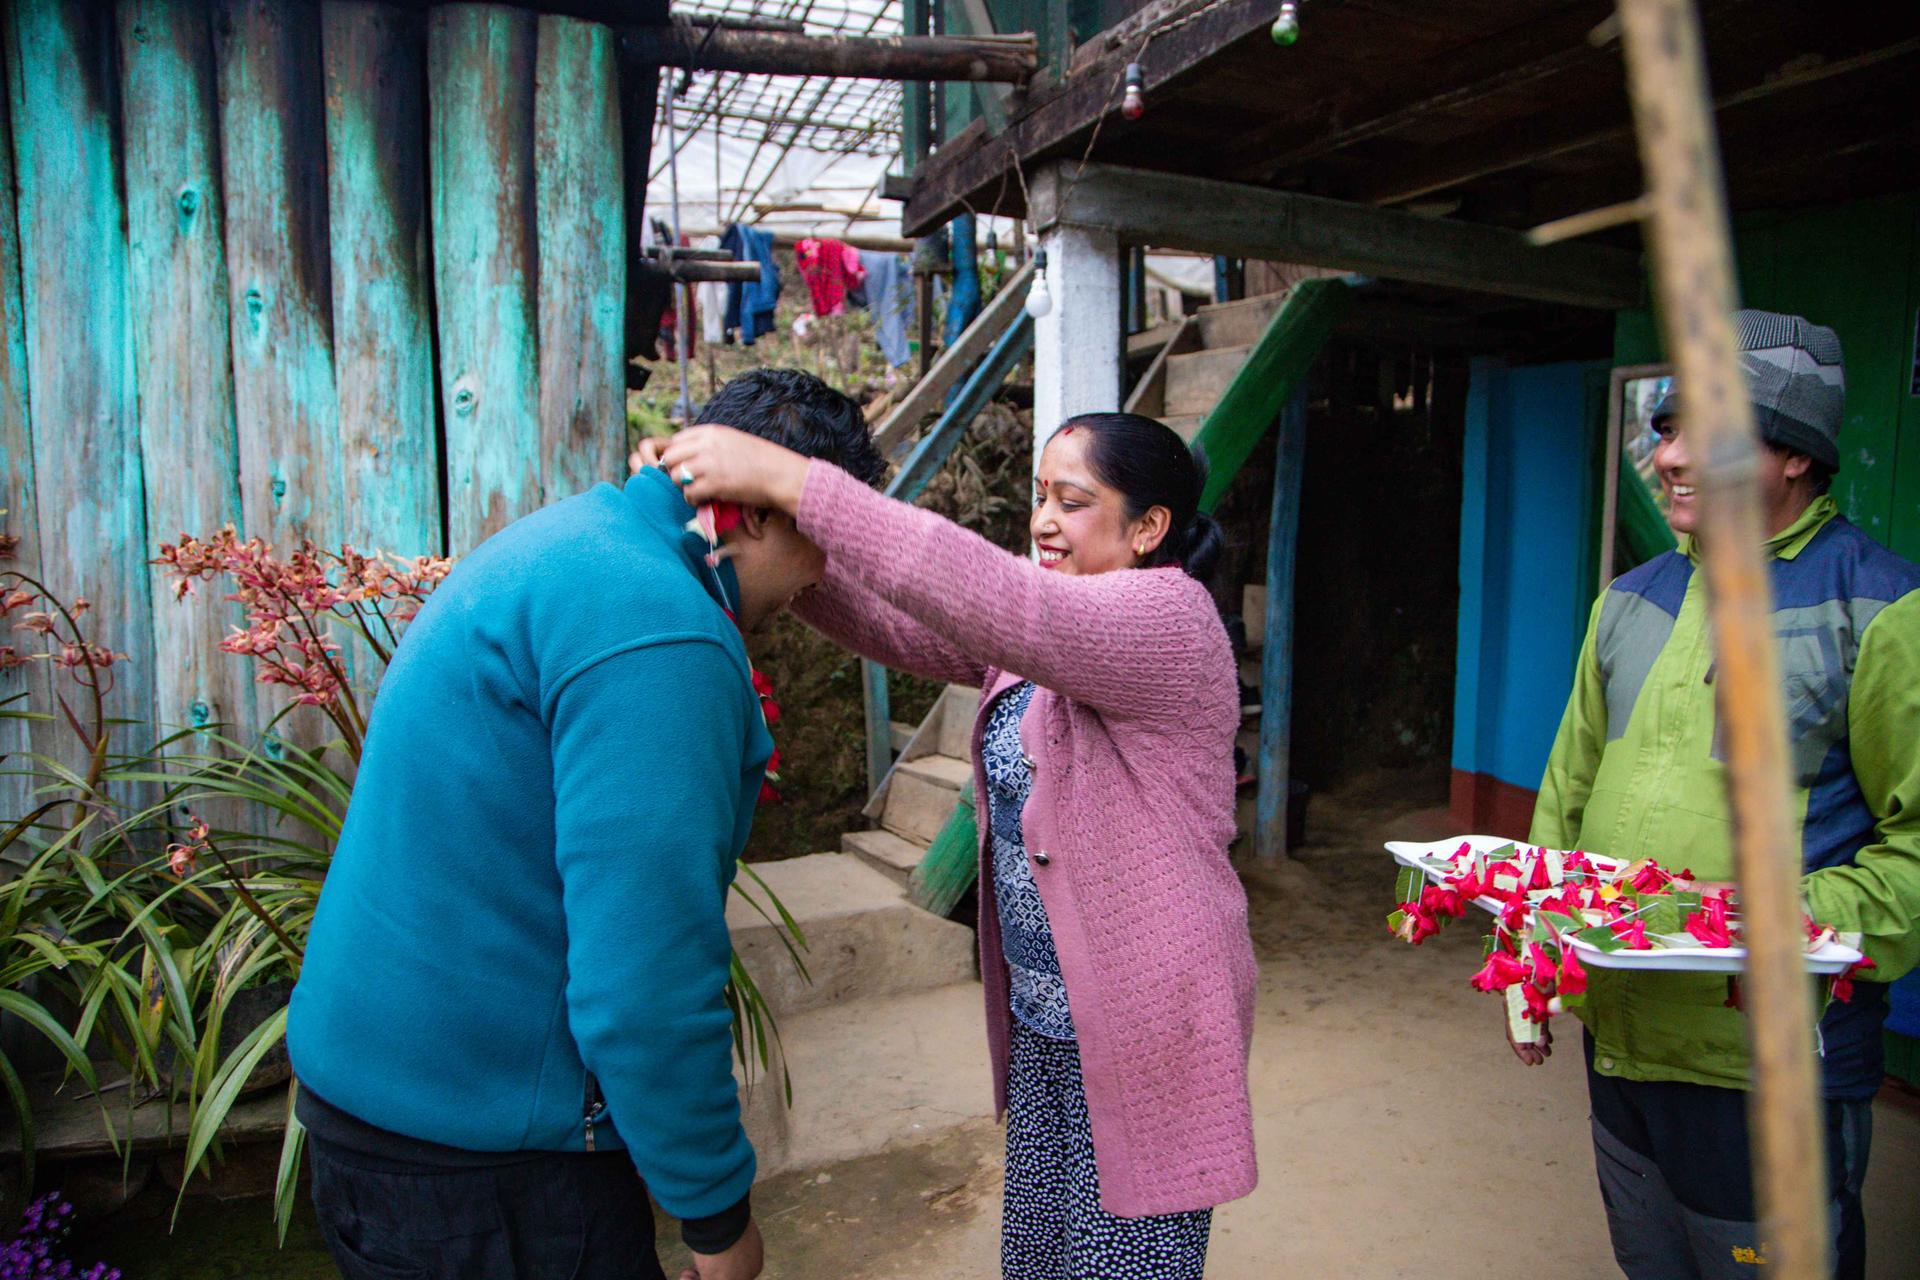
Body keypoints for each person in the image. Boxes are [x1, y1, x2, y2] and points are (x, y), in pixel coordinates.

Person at [287, 370, 884, 1280]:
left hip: (378, 1113)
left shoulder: (572, 543)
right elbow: (644, 978)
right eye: (826, 537)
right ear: (755, 513)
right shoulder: (660, 632)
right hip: (486, 1172)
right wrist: (718, 1220)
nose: (826, 574)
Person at [655, 411, 1258, 1279]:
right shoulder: (1043, 634)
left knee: (1122, 1262)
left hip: (1146, 1023)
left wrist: (796, 483)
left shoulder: (1168, 619)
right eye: (1040, 497)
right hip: (1051, 1021)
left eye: (1074, 502)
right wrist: (775, 543)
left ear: (1149, 528)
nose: (1044, 519)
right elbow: (900, 618)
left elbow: (1001, 597)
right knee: (1043, 1259)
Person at [1521, 310, 1920, 1279]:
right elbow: (1566, 793)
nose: (1673, 457)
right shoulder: (1632, 597)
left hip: (1766, 1054)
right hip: (1619, 1031)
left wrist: (1764, 919)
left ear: (1796, 455)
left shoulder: (1877, 609)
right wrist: (1533, 945)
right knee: (1651, 1255)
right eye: (1665, 427)